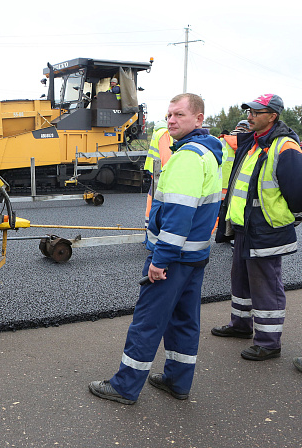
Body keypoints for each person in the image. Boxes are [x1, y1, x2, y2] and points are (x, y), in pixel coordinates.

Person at [88, 93, 223, 404]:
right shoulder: (209, 153)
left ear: (198, 119)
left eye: (179, 115)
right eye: (169, 115)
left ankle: (124, 386)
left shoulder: (188, 157)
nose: (171, 121)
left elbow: (178, 216)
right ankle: (178, 381)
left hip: (174, 258)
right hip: (196, 255)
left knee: (148, 321)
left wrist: (160, 260)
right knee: (185, 320)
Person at [212, 94, 302, 362]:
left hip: (266, 229)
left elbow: (297, 193)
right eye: (249, 111)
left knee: (265, 285)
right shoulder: (252, 143)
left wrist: (287, 221)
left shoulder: (284, 147)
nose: (249, 116)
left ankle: (268, 342)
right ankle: (241, 325)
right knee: (240, 278)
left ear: (272, 116)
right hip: (243, 226)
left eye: (256, 112)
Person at [144, 119, 173, 228]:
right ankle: (153, 226)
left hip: (155, 171)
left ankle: (149, 225)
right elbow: (166, 156)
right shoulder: (164, 133)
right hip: (161, 172)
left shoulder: (158, 131)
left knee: (152, 198)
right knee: (158, 200)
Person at [218, 120, 250, 200]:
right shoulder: (250, 144)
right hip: (239, 192)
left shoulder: (220, 142)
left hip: (217, 190)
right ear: (250, 130)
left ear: (236, 128)